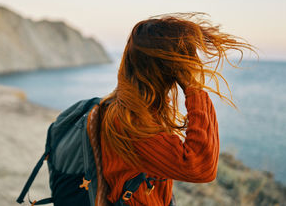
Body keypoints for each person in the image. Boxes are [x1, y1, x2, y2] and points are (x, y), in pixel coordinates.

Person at [93, 14, 254, 206]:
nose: (191, 64)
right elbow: (201, 167)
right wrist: (193, 88)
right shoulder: (131, 120)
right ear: (165, 67)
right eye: (182, 59)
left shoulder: (134, 105)